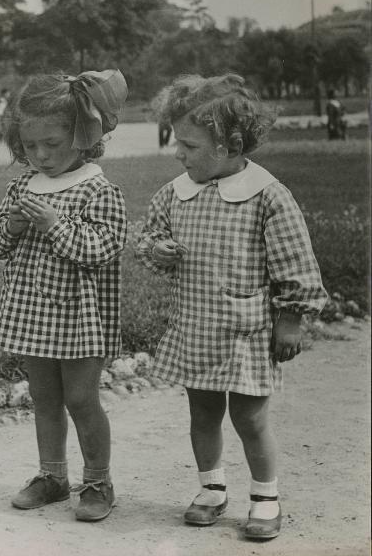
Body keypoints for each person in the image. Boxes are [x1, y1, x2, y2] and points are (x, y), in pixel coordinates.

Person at [136, 73, 327, 540]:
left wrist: (290, 319)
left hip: (247, 333)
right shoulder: (177, 192)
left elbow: (294, 262)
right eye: (176, 142)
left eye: (188, 145)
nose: (178, 153)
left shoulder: (267, 195)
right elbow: (149, 234)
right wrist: (156, 249)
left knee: (250, 417)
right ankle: (211, 488)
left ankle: (265, 496)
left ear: (229, 144)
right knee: (202, 413)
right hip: (196, 326)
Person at [0, 70, 128, 521]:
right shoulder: (22, 187)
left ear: (84, 137)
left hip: (80, 318)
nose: (40, 156)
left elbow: (101, 251)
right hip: (32, 313)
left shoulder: (98, 189)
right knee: (43, 399)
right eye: (30, 146)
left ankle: (99, 481)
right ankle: (53, 477)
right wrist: (11, 226)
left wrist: (55, 226)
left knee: (81, 399)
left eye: (52, 144)